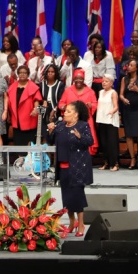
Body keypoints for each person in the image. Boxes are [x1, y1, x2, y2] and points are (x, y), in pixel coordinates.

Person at [49, 100, 94, 236]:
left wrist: (80, 137)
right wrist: (51, 131)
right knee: (67, 197)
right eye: (65, 111)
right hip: (63, 167)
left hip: (77, 167)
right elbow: (51, 141)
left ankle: (81, 225)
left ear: (76, 114)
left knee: (77, 197)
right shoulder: (60, 126)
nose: (65, 113)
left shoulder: (82, 125)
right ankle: (71, 222)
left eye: (68, 111)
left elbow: (90, 141)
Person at [58, 69, 98, 154]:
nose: (78, 80)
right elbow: (61, 103)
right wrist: (63, 107)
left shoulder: (90, 91)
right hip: (70, 121)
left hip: (85, 120)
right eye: (76, 78)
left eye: (80, 78)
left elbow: (95, 104)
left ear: (83, 80)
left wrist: (91, 105)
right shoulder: (68, 90)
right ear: (74, 80)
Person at [119, 58, 138, 170]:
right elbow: (121, 94)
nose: (129, 67)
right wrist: (123, 99)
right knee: (129, 135)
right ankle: (132, 158)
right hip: (128, 109)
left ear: (136, 68)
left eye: (131, 65)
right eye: (128, 65)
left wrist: (137, 90)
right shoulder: (124, 79)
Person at [5, 64, 43, 145]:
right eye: (20, 73)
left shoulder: (33, 86)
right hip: (16, 119)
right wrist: (8, 114)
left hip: (29, 117)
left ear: (28, 74)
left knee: (29, 144)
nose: (22, 74)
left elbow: (36, 100)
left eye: (24, 73)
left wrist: (35, 109)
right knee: (18, 144)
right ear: (18, 74)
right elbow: (8, 102)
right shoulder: (12, 86)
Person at [95, 73, 121, 170]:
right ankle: (106, 162)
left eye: (106, 81)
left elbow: (116, 106)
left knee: (112, 142)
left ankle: (115, 164)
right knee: (103, 142)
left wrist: (112, 111)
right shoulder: (100, 92)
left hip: (110, 120)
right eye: (103, 81)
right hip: (101, 119)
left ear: (111, 83)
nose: (104, 83)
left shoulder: (113, 93)